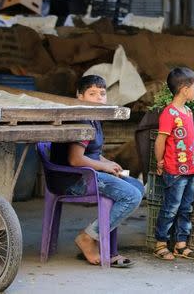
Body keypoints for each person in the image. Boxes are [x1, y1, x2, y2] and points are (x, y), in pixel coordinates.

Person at [50, 75, 143, 268]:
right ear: (80, 96)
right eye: (92, 93)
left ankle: (103, 241)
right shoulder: (82, 119)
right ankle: (88, 237)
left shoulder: (95, 118)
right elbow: (75, 159)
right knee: (131, 196)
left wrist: (109, 163)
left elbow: (93, 154)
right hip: (72, 179)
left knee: (136, 185)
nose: (99, 98)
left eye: (102, 93)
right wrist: (104, 167)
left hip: (88, 173)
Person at [153, 67, 194, 260]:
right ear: (184, 89)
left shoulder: (188, 112)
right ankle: (160, 243)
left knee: (186, 208)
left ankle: (181, 245)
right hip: (174, 171)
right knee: (170, 207)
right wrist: (159, 161)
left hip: (191, 170)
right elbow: (160, 141)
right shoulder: (168, 113)